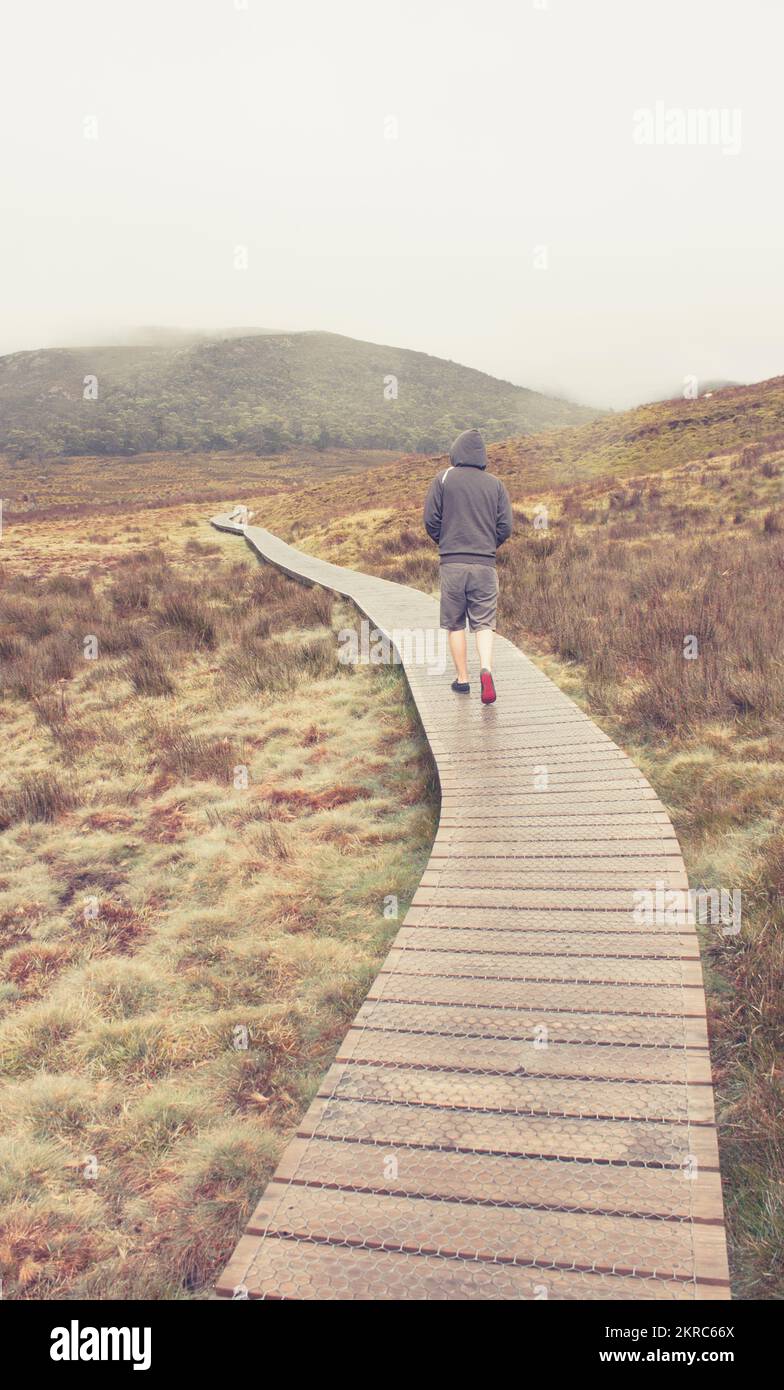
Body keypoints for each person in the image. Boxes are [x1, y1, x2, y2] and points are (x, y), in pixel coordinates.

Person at [423, 428, 512, 704]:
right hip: (485, 565)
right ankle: (486, 669)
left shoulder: (444, 478)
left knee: (455, 623)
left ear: (456, 452)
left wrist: (446, 540)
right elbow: (505, 526)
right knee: (485, 623)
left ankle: (463, 680)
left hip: (452, 563)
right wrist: (487, 545)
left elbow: (430, 520)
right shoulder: (496, 484)